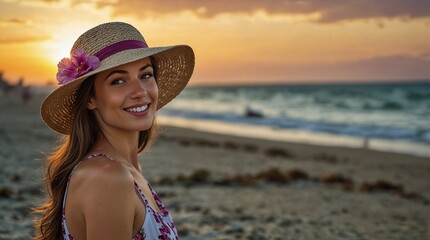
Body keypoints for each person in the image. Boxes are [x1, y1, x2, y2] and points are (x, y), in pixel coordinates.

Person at [35, 22, 195, 240]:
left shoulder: (124, 168)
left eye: (146, 75)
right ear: (90, 99)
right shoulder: (108, 178)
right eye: (118, 81)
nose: (140, 91)